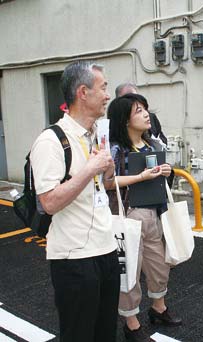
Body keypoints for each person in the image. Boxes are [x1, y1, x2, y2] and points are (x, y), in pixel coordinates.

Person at [30, 61, 120, 341]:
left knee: (105, 332)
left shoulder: (95, 135)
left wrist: (107, 169)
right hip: (74, 259)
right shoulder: (51, 141)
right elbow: (49, 203)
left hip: (106, 249)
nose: (107, 95)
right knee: (78, 334)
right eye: (103, 88)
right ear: (83, 92)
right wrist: (91, 168)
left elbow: (101, 186)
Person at [107, 93, 181, 342]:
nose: (146, 114)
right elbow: (108, 182)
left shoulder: (153, 145)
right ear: (124, 120)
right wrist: (141, 177)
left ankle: (158, 308)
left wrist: (165, 172)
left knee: (159, 267)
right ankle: (131, 323)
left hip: (154, 213)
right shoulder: (116, 150)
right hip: (128, 215)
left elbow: (158, 177)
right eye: (139, 111)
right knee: (129, 271)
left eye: (145, 109)